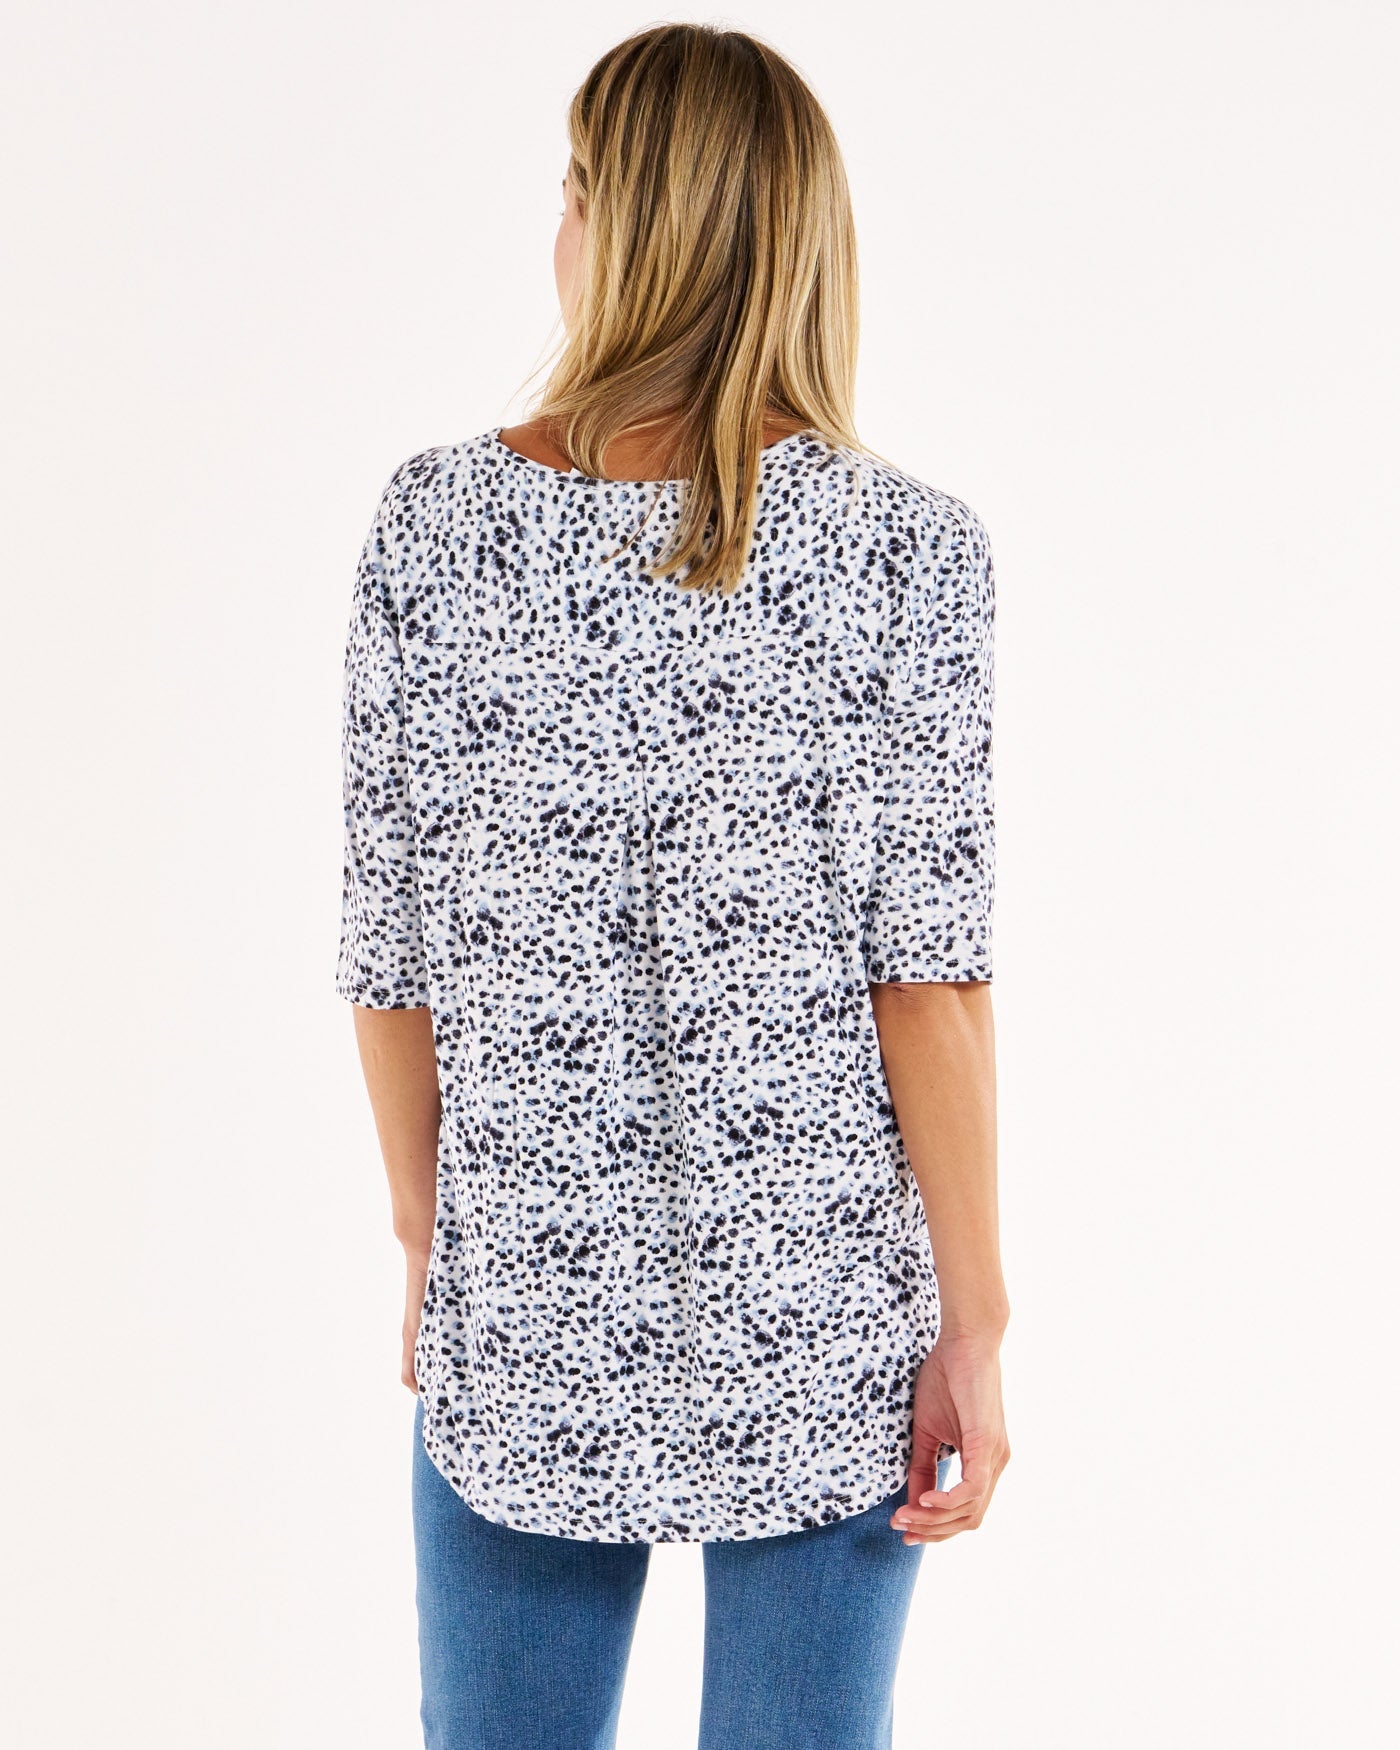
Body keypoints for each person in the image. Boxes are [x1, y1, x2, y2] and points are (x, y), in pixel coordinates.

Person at [337, 22, 1009, 1750]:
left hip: (527, 1308)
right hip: (818, 1311)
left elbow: (390, 960)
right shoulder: (909, 553)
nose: (555, 230)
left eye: (572, 189)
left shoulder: (433, 528)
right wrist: (977, 1321)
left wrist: (432, 1239)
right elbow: (928, 979)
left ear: (625, 223)